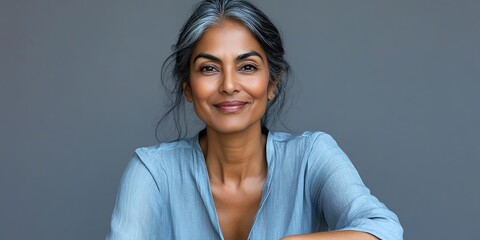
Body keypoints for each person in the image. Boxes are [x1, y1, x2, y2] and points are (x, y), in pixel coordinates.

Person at [106, 0, 403, 239]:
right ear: (187, 86)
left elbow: (386, 231)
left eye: (247, 67)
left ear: (272, 83)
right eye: (209, 69)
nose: (229, 85)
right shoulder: (153, 173)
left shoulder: (311, 156)